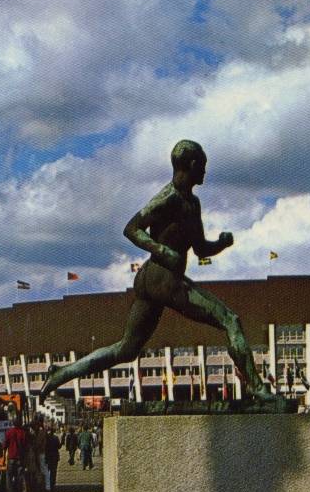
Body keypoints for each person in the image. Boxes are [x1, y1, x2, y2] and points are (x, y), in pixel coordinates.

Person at [40, 140, 274, 404]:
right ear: (194, 165)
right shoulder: (168, 198)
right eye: (204, 166)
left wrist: (220, 243)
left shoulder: (192, 204)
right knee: (230, 320)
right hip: (163, 280)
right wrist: (162, 251)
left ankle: (62, 373)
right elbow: (131, 228)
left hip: (155, 280)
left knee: (126, 349)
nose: (206, 172)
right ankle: (256, 386)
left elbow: (199, 249)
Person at [4, 417, 29, 492]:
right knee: (20, 477)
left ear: (13, 424)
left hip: (11, 457)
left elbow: (5, 445)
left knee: (9, 476)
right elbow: (26, 447)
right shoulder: (23, 433)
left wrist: (4, 457)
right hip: (20, 458)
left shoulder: (9, 432)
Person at [44, 426, 62, 491]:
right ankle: (52, 484)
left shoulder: (46, 438)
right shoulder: (55, 438)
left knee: (47, 471)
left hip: (48, 456)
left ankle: (48, 484)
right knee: (53, 471)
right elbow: (59, 446)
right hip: (54, 456)